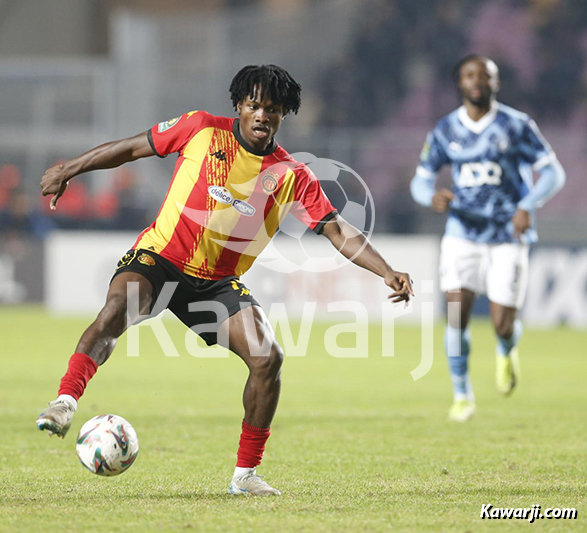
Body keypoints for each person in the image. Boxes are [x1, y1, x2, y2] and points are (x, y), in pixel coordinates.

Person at [37, 65, 414, 495]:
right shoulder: (199, 129)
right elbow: (129, 149)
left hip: (216, 285)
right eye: (254, 105)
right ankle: (65, 403)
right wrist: (70, 168)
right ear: (239, 104)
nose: (261, 116)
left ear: (284, 115)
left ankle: (245, 476)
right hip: (161, 259)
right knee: (116, 311)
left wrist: (387, 270)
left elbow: (336, 228)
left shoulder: (291, 175)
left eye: (272, 109)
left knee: (268, 359)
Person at [410, 55, 566, 422]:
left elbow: (553, 174)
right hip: (462, 235)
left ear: (496, 83)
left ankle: (507, 349)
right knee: (455, 315)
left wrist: (528, 204)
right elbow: (421, 179)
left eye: (486, 75)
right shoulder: (445, 130)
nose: (477, 80)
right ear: (459, 82)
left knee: (502, 323)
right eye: (470, 74)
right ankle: (462, 393)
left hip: (507, 236)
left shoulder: (516, 125)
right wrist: (429, 196)